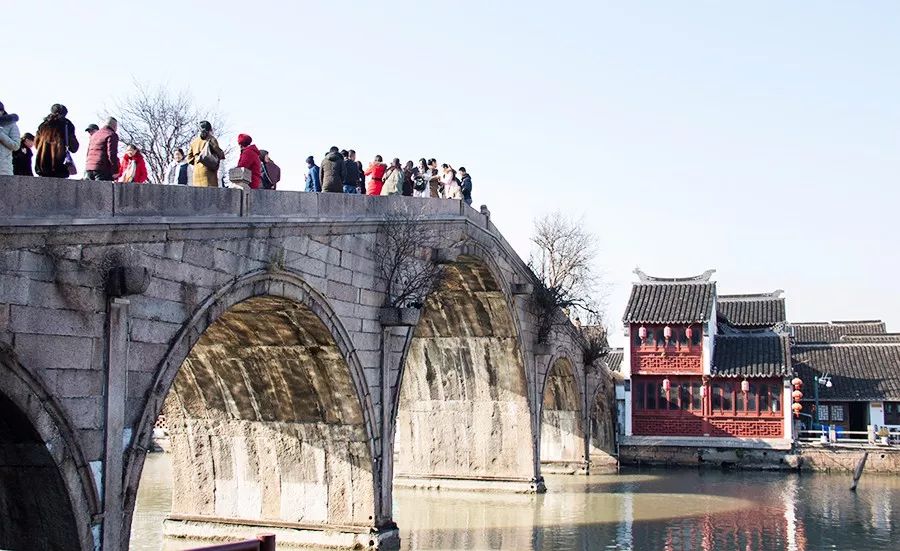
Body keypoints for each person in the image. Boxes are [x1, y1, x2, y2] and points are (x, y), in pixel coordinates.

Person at [34, 104, 79, 178]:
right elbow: (74, 147)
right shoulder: (67, 124)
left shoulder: (43, 125)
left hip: (41, 168)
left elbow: (36, 145)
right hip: (58, 168)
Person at [187, 121, 225, 187]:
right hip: (209, 174)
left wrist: (198, 160)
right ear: (210, 129)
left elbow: (189, 159)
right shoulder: (212, 139)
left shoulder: (194, 142)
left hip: (197, 174)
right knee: (210, 196)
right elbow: (219, 154)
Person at [0, 101, 21, 176]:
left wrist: (1, 135)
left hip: (3, 170)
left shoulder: (11, 124)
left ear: (2, 111)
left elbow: (16, 145)